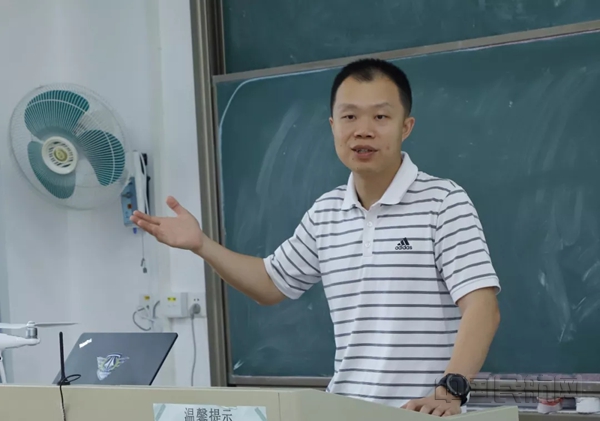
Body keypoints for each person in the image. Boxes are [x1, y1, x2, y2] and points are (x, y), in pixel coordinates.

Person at [131, 58, 501, 416]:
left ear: (406, 127)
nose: (363, 130)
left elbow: (482, 307)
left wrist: (449, 392)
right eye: (350, 116)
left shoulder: (443, 202)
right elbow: (270, 284)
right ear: (333, 126)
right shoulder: (326, 213)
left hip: (420, 415)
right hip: (343, 411)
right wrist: (201, 244)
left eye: (380, 117)